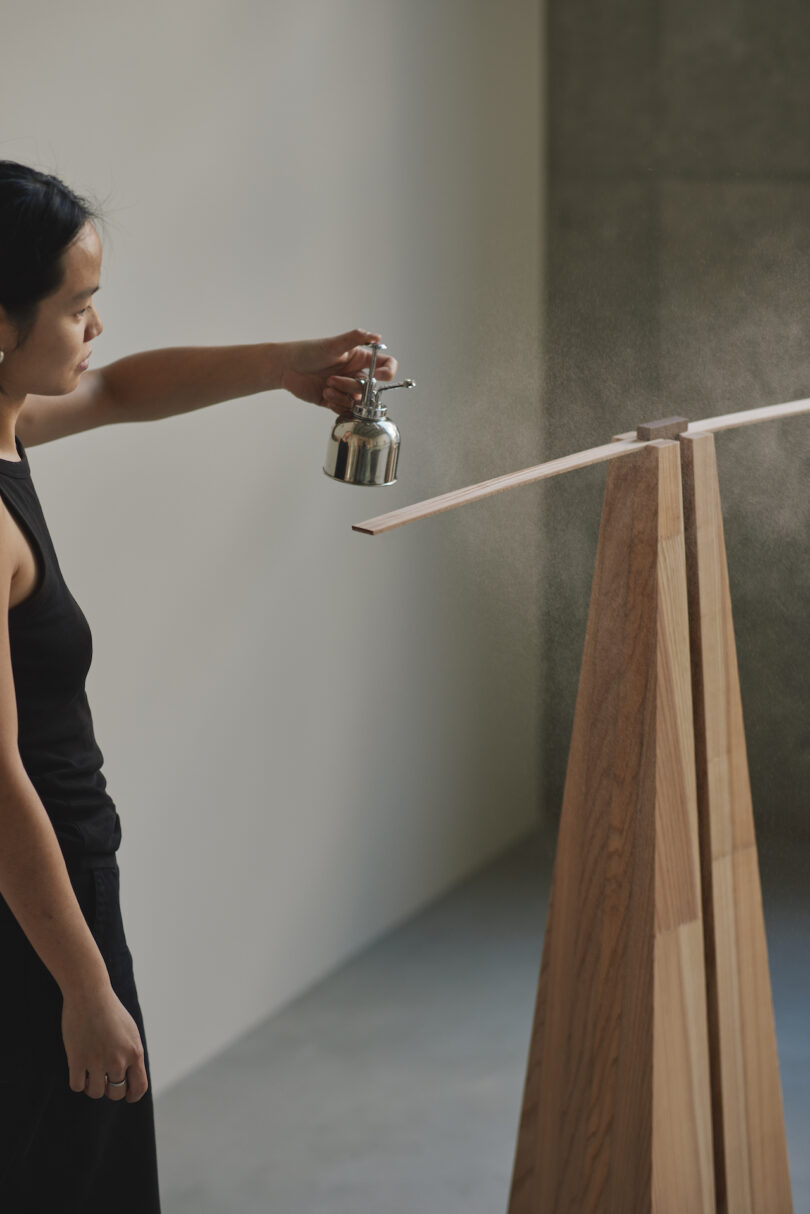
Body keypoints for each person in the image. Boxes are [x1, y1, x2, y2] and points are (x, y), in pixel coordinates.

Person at [0, 160, 397, 1212]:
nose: (97, 324)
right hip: (34, 919)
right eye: (78, 304)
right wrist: (85, 989)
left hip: (61, 893)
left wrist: (291, 364)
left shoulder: (9, 425)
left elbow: (123, 389)